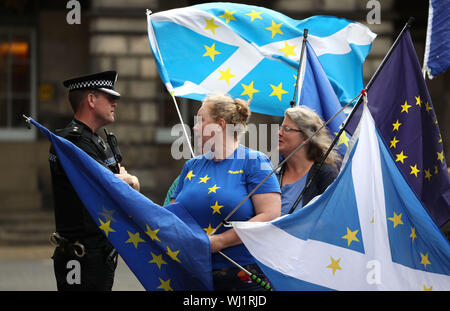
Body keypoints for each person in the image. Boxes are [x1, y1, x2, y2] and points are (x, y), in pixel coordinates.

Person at [171, 94, 281, 291]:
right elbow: (173, 214)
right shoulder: (191, 165)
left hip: (242, 274)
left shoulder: (256, 161)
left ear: (220, 124)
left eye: (201, 121)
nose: (194, 127)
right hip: (192, 272)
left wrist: (221, 241)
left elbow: (270, 215)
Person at [49, 70, 140, 291]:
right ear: (91, 99)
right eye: (110, 97)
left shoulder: (96, 140)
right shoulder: (72, 142)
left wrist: (129, 181)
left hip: (98, 254)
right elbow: (112, 185)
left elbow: (122, 183)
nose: (115, 103)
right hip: (81, 256)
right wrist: (130, 180)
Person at [277, 106, 341, 215]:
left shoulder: (325, 175)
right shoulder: (272, 170)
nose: (279, 133)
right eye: (281, 127)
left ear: (306, 137)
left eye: (287, 129)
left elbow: (332, 218)